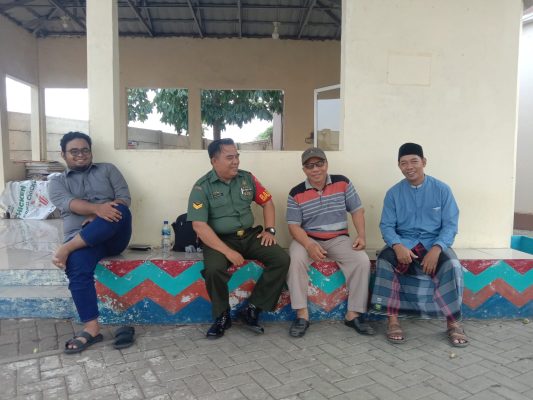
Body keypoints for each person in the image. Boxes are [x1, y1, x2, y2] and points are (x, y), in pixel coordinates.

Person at [187, 138, 290, 339]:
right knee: (214, 270)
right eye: (229, 157)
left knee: (281, 259)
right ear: (214, 161)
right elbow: (199, 226)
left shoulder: (247, 179)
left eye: (237, 156)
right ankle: (222, 316)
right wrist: (227, 252)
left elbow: (267, 202)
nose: (235, 161)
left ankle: (253, 308)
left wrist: (270, 230)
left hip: (249, 235)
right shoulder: (201, 188)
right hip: (219, 241)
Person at [371, 143, 468, 347]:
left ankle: (453, 323)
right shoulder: (393, 193)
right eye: (403, 163)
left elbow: (450, 225)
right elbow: (386, 225)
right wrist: (397, 245)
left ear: (424, 162)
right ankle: (393, 321)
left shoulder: (442, 190)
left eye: (414, 161)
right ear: (399, 166)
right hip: (404, 243)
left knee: (451, 264)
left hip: (433, 243)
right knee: (385, 260)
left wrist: (437, 249)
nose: (409, 167)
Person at [49, 131, 133, 354]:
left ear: (91, 151)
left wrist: (98, 218)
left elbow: (124, 198)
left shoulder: (108, 170)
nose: (81, 154)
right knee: (76, 265)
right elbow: (70, 204)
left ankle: (66, 249)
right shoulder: (56, 182)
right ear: (63, 154)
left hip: (113, 236)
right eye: (74, 151)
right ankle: (92, 328)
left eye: (85, 150)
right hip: (83, 240)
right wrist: (98, 209)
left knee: (121, 210)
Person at [285, 147, 374, 337]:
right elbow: (293, 227)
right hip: (308, 238)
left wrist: (361, 235)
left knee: (362, 261)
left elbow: (357, 210)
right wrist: (309, 244)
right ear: (304, 169)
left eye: (319, 164)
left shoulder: (342, 182)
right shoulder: (296, 193)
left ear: (326, 164)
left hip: (338, 239)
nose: (315, 169)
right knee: (295, 259)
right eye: (310, 166)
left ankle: (353, 314)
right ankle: (302, 315)